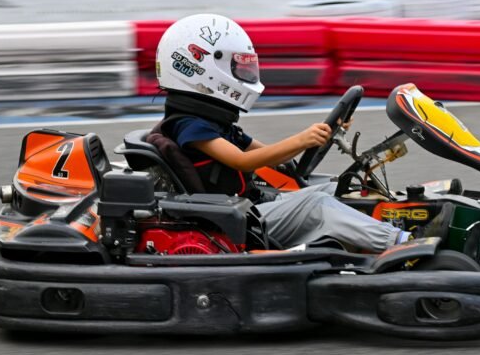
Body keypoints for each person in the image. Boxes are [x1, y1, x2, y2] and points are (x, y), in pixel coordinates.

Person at [152, 13, 411, 253]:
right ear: (202, 68)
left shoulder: (213, 119)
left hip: (247, 209)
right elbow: (241, 161)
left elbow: (268, 156)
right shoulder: (188, 125)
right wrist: (302, 139)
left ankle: (384, 234)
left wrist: (323, 135)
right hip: (235, 226)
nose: (244, 74)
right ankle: (401, 245)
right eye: (237, 68)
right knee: (317, 207)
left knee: (332, 189)